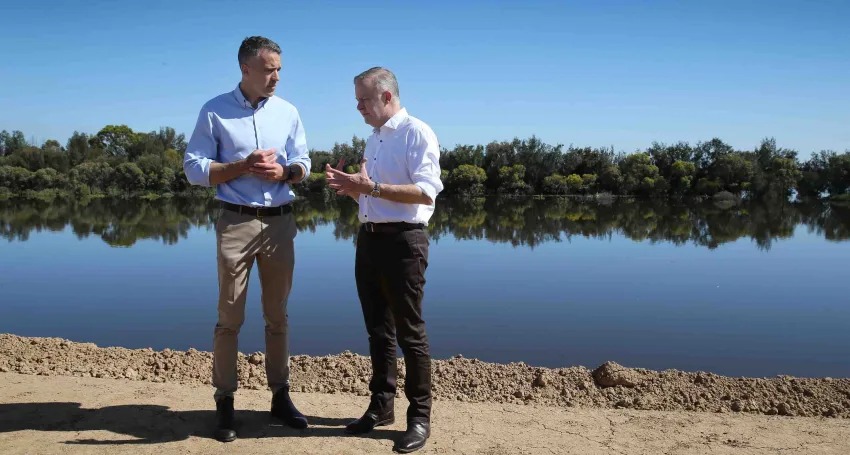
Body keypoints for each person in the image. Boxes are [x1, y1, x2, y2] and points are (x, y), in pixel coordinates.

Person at [183, 35, 311, 443]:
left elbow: (304, 161)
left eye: (279, 70)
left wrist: (288, 173)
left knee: (278, 316)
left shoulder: (289, 112)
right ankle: (225, 402)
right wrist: (240, 166)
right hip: (235, 223)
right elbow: (193, 169)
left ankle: (280, 397)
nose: (276, 77)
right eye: (269, 69)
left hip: (279, 224)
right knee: (230, 318)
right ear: (245, 69)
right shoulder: (214, 111)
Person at [325, 67, 443, 453]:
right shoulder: (374, 138)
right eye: (357, 100)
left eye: (363, 99)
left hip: (404, 243)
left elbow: (426, 193)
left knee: (410, 331)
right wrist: (351, 190)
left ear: (387, 96)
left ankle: (419, 418)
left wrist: (371, 186)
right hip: (370, 240)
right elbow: (372, 197)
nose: (358, 106)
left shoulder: (417, 133)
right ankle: (381, 407)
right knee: (378, 329)